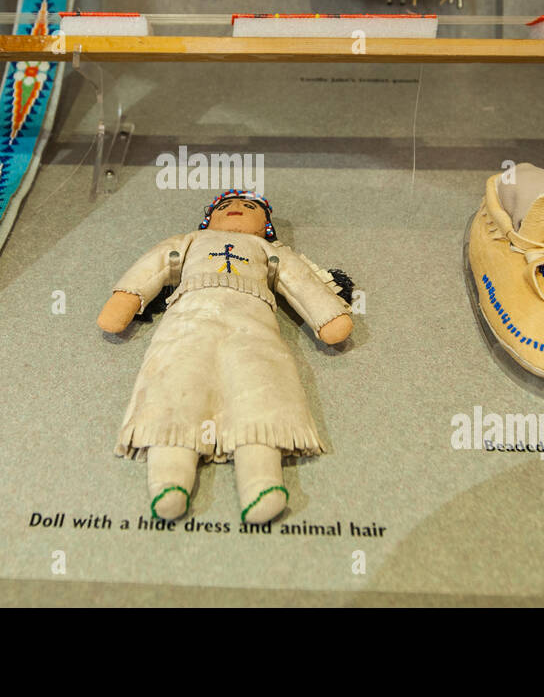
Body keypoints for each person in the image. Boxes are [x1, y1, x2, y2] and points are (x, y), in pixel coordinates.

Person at [98, 191, 354, 525]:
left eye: (250, 208)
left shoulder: (268, 251)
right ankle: (169, 480)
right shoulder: (189, 241)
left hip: (252, 327)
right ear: (209, 219)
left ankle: (262, 482)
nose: (237, 210)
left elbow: (299, 281)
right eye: (225, 206)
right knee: (175, 384)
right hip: (187, 322)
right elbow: (154, 265)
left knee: (260, 388)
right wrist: (126, 298)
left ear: (266, 227)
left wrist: (327, 315)